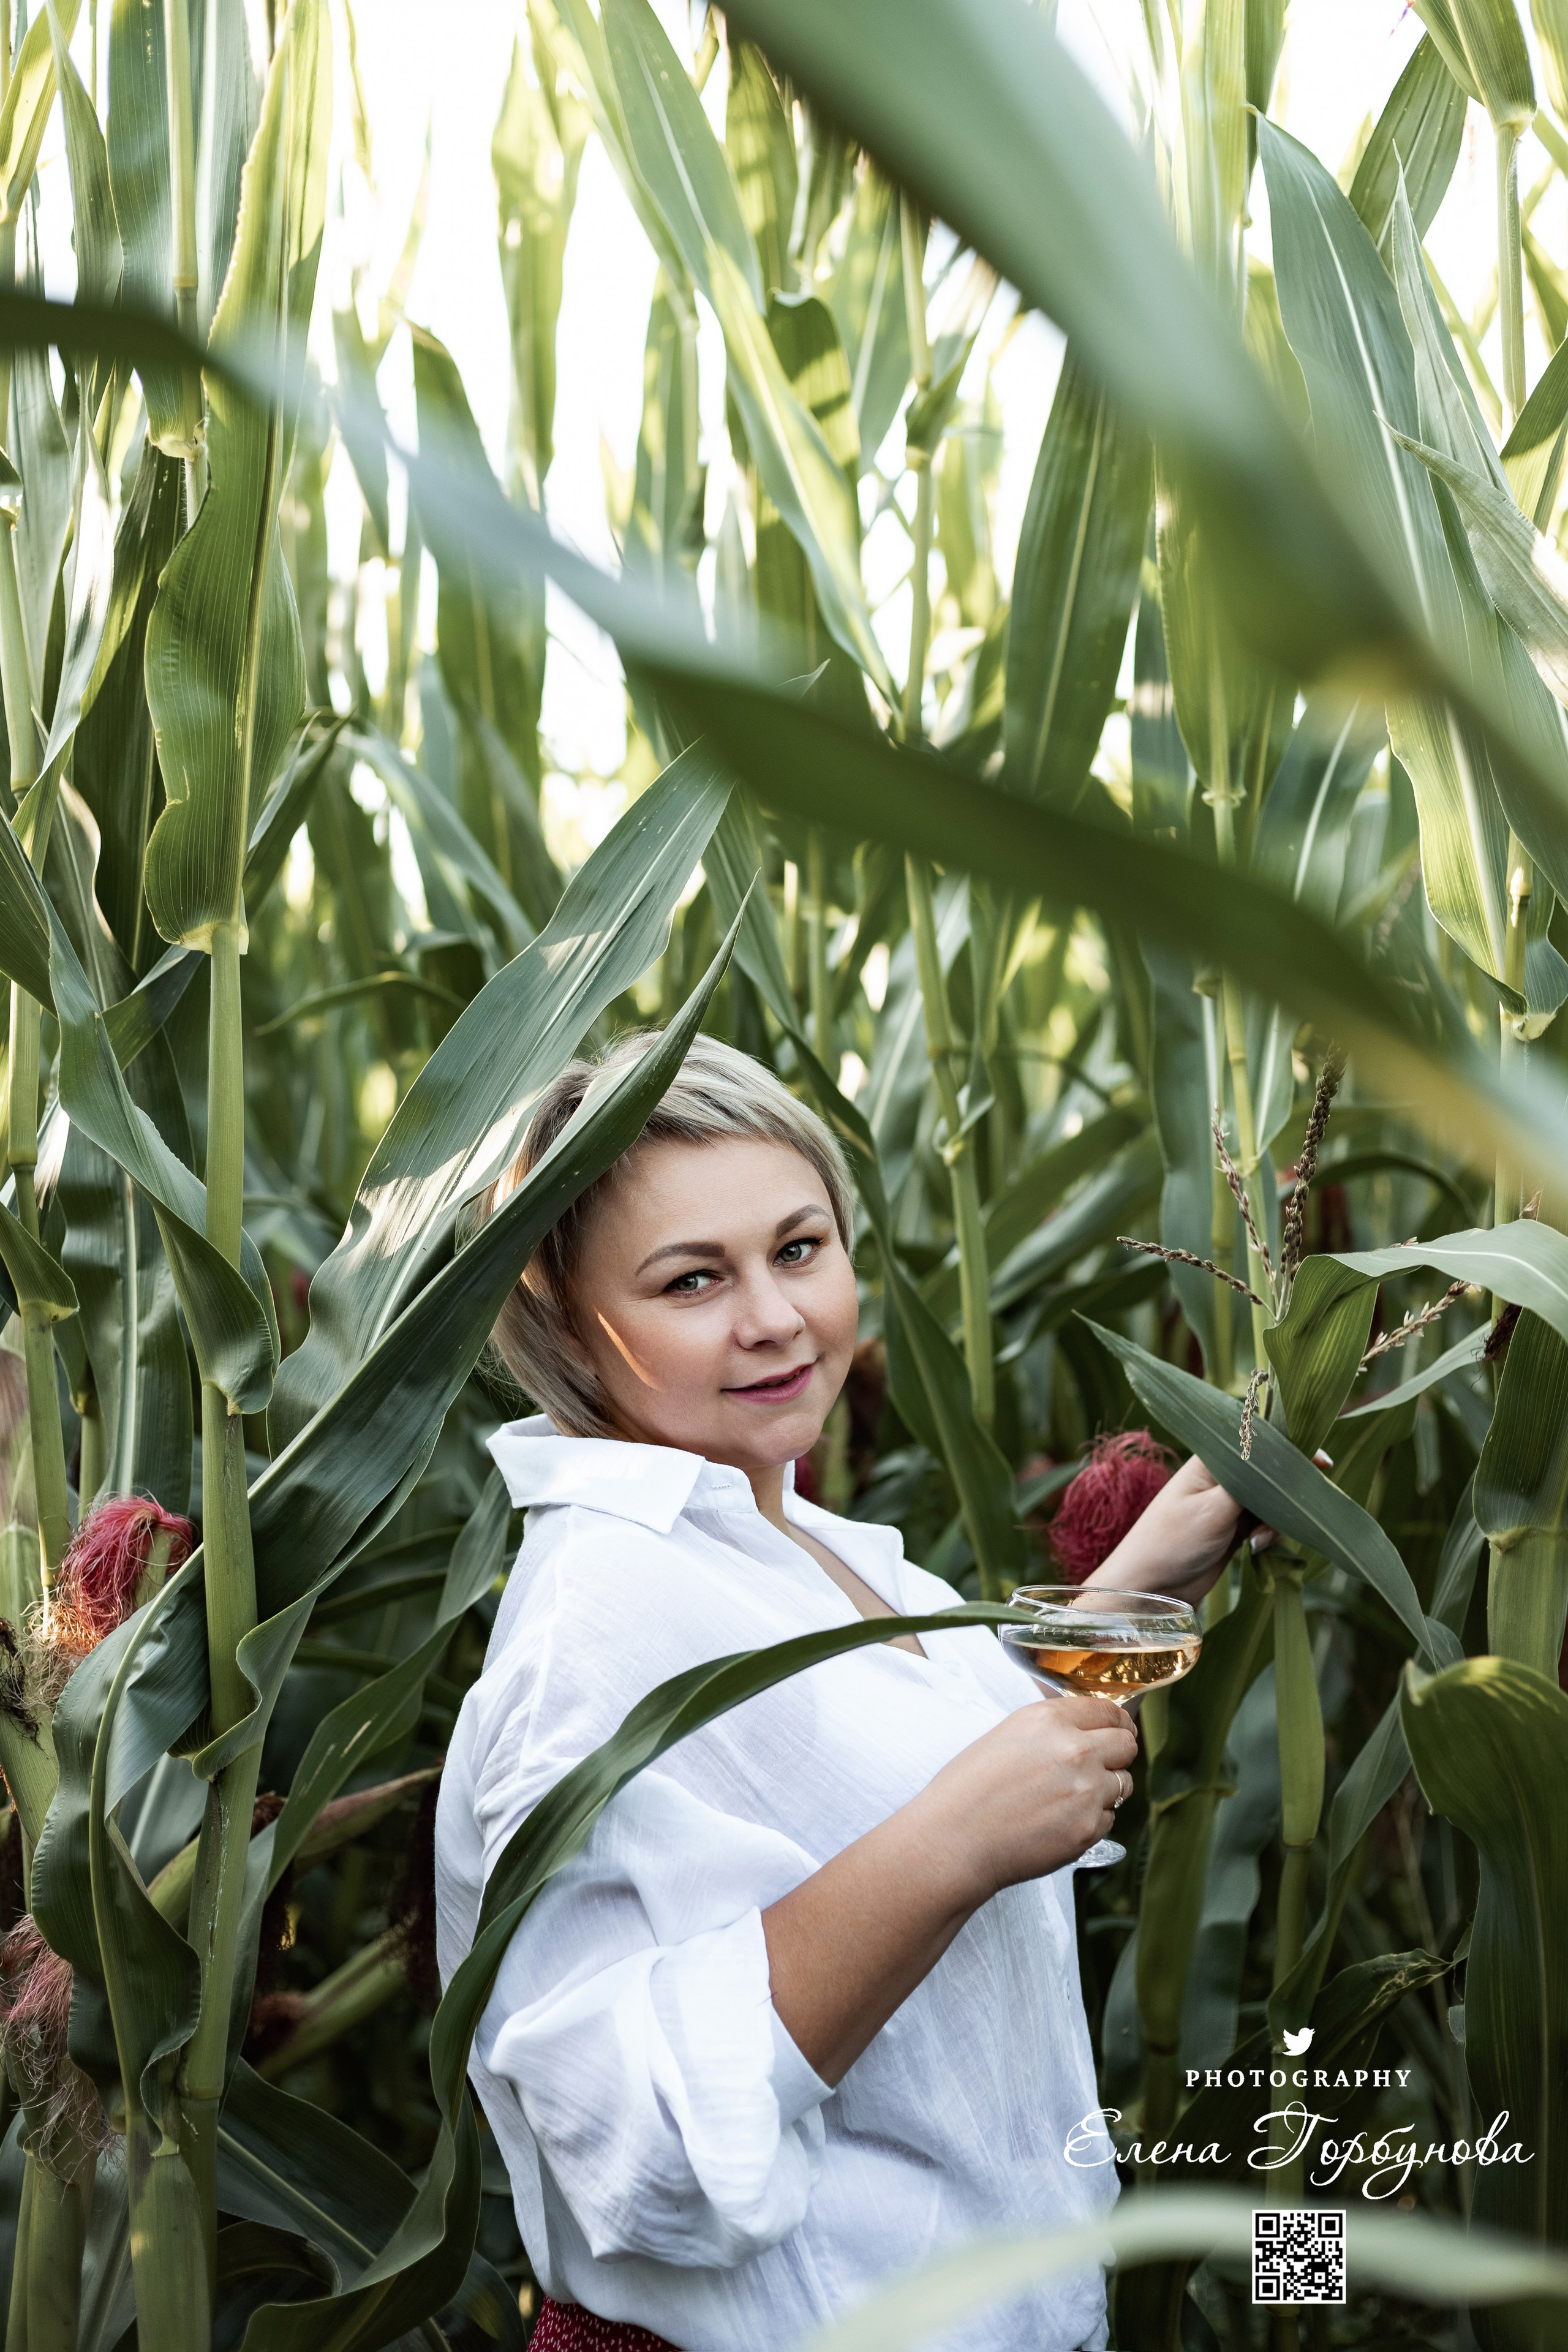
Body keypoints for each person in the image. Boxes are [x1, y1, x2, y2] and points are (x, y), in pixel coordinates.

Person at [435, 1034, 1254, 2352]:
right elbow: (633, 2149)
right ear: (561, 1323)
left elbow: (874, 1770)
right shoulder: (600, 1618)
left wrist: (1141, 1579)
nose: (771, 1316)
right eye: (691, 1279)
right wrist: (950, 1846)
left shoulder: (800, 1540)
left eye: (799, 1248)